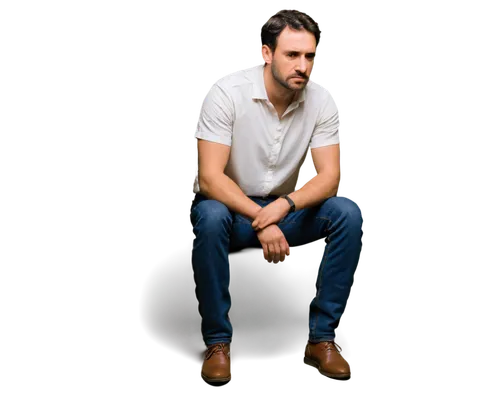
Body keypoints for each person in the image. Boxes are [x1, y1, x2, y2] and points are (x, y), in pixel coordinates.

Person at [190, 7, 364, 383]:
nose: (303, 66)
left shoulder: (321, 102)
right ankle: (217, 343)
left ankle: (321, 339)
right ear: (265, 54)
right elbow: (209, 178)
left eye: (309, 57)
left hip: (285, 211)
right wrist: (260, 218)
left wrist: (283, 207)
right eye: (292, 55)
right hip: (231, 210)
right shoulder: (226, 93)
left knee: (347, 212)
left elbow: (330, 177)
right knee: (209, 215)